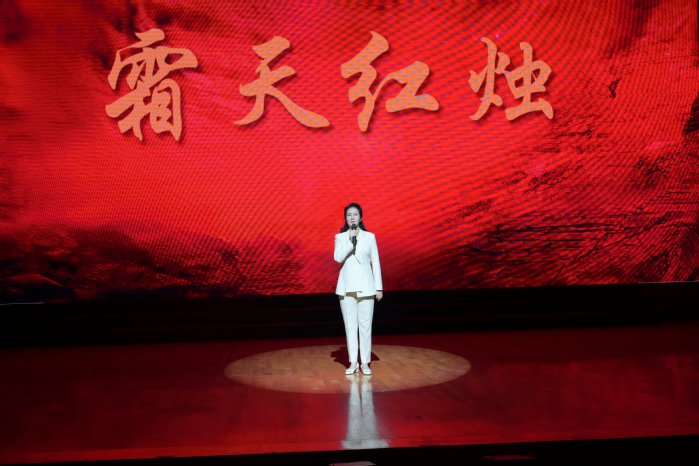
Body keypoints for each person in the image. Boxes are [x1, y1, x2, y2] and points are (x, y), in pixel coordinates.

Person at [334, 202, 383, 376]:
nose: (352, 217)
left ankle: (365, 363)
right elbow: (338, 258)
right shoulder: (340, 237)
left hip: (366, 286)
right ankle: (353, 362)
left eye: (355, 214)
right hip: (346, 288)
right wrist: (350, 240)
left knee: (365, 326)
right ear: (345, 218)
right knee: (350, 326)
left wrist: (379, 288)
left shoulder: (370, 237)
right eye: (349, 215)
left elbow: (375, 262)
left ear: (360, 217)